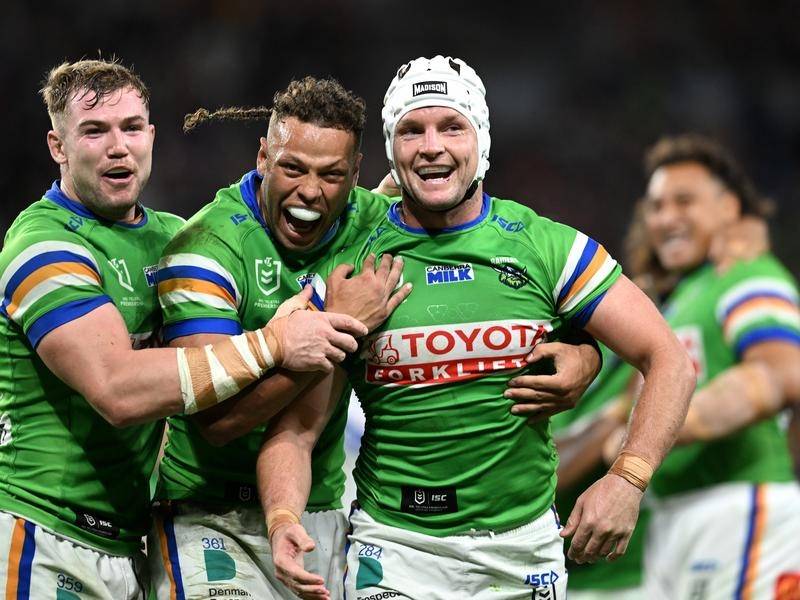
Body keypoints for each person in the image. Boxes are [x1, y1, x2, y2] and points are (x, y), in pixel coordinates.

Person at [147, 75, 603, 600]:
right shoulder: (206, 249)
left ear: (357, 176)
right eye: (292, 168)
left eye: (332, 175)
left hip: (318, 508)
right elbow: (216, 421)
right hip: (209, 511)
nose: (311, 193)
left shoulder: (371, 221)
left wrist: (586, 353)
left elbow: (515, 289)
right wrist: (324, 333)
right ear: (262, 158)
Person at [258, 55, 696, 600]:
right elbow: (297, 428)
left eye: (451, 126)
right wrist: (281, 519)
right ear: (393, 152)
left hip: (523, 552)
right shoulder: (350, 268)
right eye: (412, 130)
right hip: (395, 552)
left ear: (481, 141)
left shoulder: (546, 246)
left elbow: (669, 358)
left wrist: (628, 479)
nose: (432, 145)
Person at [0, 59, 368, 599]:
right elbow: (116, 389)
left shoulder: (172, 238)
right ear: (58, 146)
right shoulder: (41, 244)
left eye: (130, 128)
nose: (117, 146)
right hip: (40, 528)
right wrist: (274, 342)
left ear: (150, 136)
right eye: (94, 131)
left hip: (128, 543)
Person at [624, 134, 800, 599]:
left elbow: (784, 374)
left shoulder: (745, 274)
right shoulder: (680, 297)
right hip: (674, 517)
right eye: (656, 205)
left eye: (685, 201)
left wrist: (651, 430)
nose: (665, 218)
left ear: (729, 209)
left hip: (740, 503)